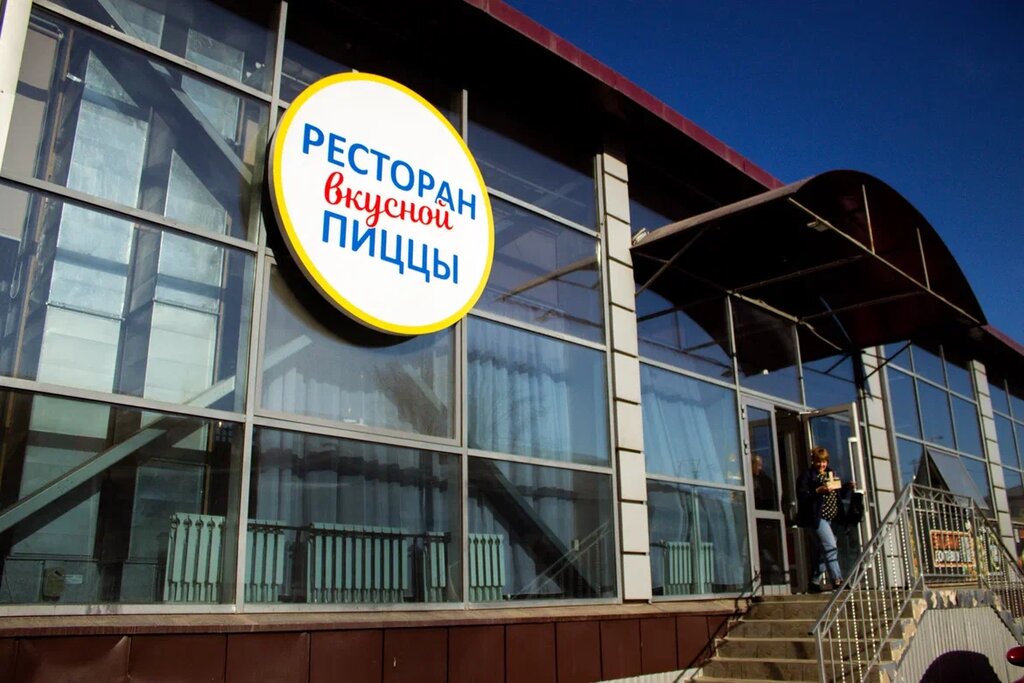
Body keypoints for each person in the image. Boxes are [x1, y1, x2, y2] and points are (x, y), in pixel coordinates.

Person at [796, 446, 851, 593]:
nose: (822, 465)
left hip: (833, 517)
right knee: (830, 546)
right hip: (817, 517)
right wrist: (817, 491)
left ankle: (814, 582)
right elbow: (802, 496)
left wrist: (847, 487)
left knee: (825, 550)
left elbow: (837, 494)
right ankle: (837, 580)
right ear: (813, 461)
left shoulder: (831, 474)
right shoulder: (807, 476)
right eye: (819, 462)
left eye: (824, 461)